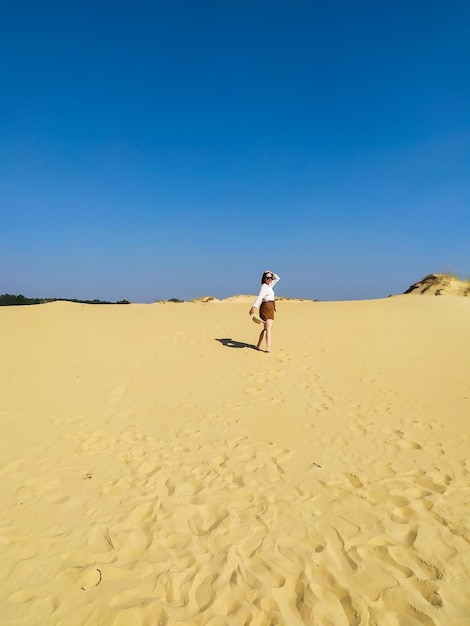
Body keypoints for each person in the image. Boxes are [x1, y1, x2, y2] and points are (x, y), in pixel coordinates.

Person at [249, 270, 280, 352]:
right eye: (267, 278)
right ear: (264, 278)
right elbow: (260, 297)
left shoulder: (270, 285)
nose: (269, 279)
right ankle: (268, 347)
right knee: (268, 328)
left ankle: (258, 345)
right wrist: (254, 307)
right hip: (266, 307)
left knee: (266, 328)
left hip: (271, 307)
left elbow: (278, 278)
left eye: (270, 278)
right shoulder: (264, 287)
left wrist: (272, 273)